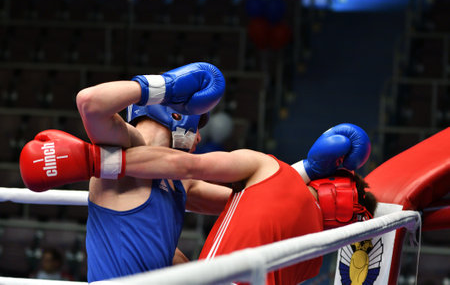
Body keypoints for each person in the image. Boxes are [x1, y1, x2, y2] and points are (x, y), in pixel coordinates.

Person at [21, 120, 375, 284]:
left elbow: (190, 167)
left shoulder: (269, 171)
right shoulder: (313, 258)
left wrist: (94, 163)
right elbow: (226, 204)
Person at [20, 62, 231, 282]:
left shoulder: (179, 181)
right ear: (178, 117)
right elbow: (89, 102)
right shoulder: (127, 149)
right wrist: (164, 87)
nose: (198, 137)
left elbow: (237, 202)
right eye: (198, 128)